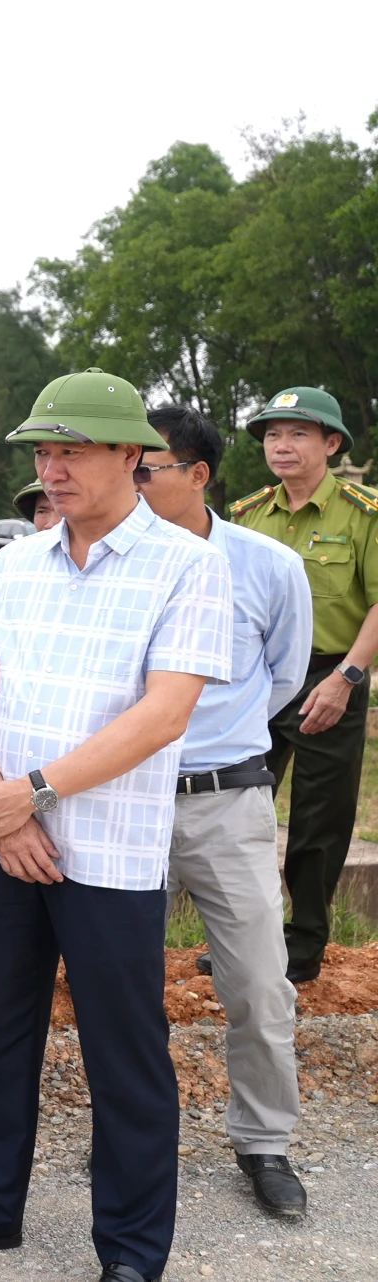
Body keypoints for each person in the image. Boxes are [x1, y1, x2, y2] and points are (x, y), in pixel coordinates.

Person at [0, 369, 231, 1282]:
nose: (53, 468)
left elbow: (163, 715)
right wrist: (3, 806)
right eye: (44, 451)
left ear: (133, 455)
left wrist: (30, 792)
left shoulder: (191, 565)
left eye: (73, 450)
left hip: (112, 857)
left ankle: (129, 1249)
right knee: (5, 1033)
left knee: (126, 1056)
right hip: (10, 846)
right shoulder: (18, 561)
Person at [139, 405, 311, 1217]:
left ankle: (266, 1142)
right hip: (123, 800)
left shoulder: (269, 565)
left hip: (225, 798)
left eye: (147, 469)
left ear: (198, 474)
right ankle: (133, 1141)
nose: (131, 483)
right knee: (119, 983)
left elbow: (281, 680)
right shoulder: (117, 561)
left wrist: (216, 738)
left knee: (257, 982)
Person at [227, 386, 378, 985]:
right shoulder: (247, 516)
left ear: (331, 443)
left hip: (330, 675)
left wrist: (346, 679)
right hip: (257, 680)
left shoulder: (363, 514)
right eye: (271, 435)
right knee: (236, 810)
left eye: (297, 434)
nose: (281, 446)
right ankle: (246, 940)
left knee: (319, 819)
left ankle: (304, 944)